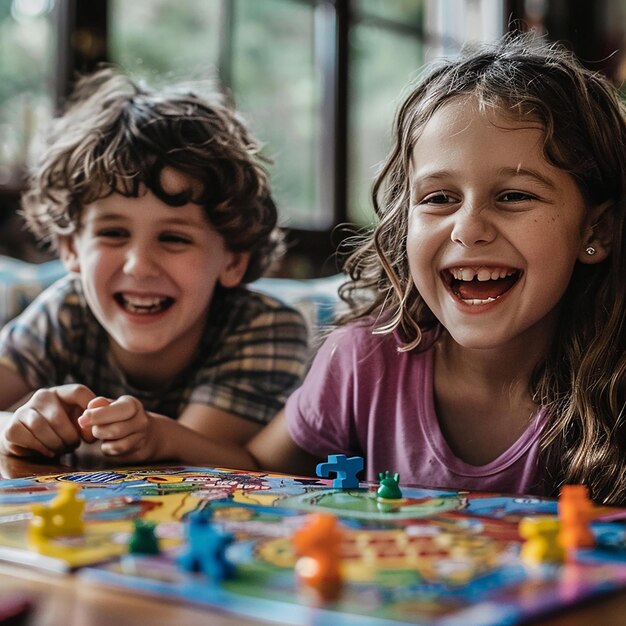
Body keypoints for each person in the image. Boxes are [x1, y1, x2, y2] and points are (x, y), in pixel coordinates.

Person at [145, 32, 626, 505]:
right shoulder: (362, 361)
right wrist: (160, 437)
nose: (468, 229)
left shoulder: (616, 382)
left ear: (596, 232)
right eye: (439, 198)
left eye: (514, 196)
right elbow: (258, 473)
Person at [0, 68, 309, 464]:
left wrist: (160, 436)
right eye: (112, 233)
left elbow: (201, 476)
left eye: (174, 238)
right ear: (70, 248)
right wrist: (16, 425)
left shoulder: (263, 328)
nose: (139, 265)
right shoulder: (65, 312)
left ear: (232, 259)